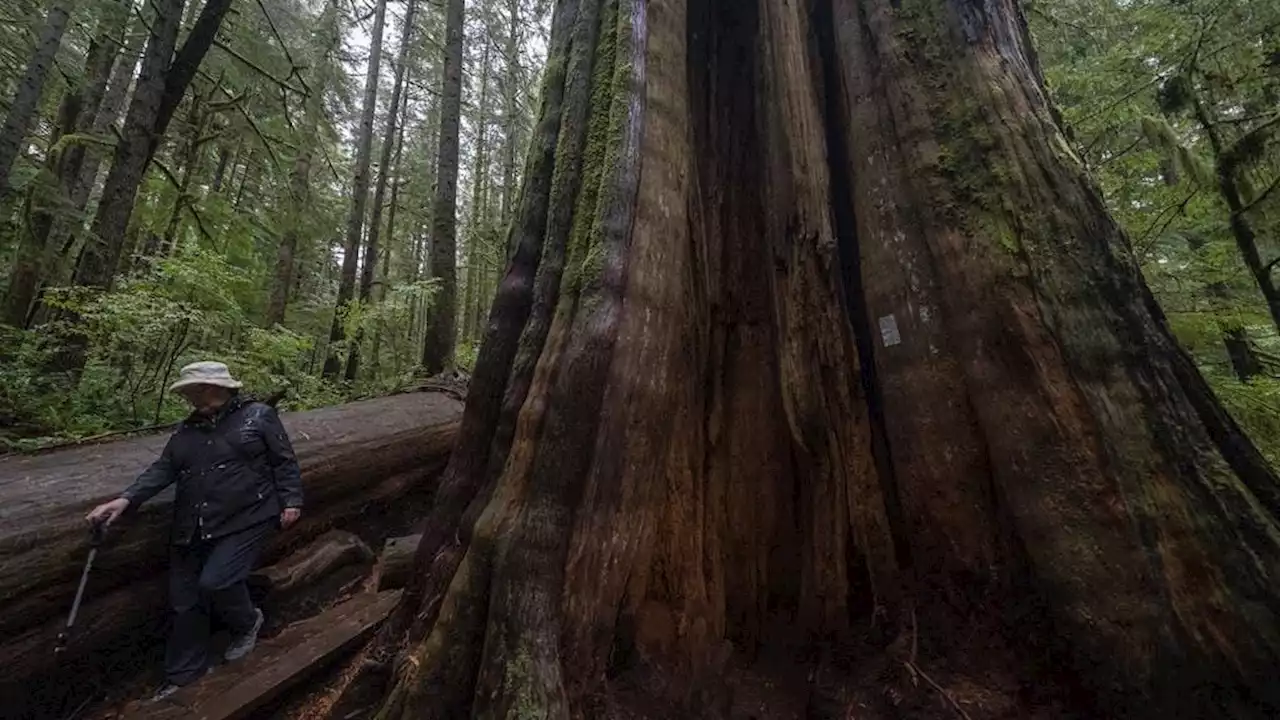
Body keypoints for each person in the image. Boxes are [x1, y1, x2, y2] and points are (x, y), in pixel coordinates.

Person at [86, 361, 304, 702]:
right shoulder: (187, 431)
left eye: (198, 390)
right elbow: (163, 469)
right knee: (185, 602)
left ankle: (247, 622)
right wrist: (125, 500)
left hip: (249, 515)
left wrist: (292, 500)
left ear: (220, 387)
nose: (192, 398)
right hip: (192, 525)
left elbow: (284, 460)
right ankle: (183, 678)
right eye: (190, 392)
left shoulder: (258, 415)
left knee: (217, 581)